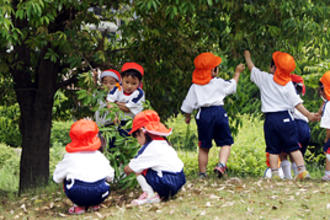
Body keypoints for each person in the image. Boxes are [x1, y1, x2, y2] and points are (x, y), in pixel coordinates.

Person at [243, 50, 319, 180]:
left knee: (273, 149)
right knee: (294, 147)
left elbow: (252, 68)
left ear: (272, 67)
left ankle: (275, 174)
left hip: (270, 119)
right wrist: (309, 115)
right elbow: (297, 104)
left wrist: (247, 56)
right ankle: (302, 171)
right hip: (286, 118)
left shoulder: (264, 79)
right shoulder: (288, 83)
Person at [180, 52, 245, 178]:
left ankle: (202, 173)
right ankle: (221, 165)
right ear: (213, 71)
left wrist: (187, 117)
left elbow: (188, 105)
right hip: (219, 113)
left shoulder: (195, 86)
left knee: (204, 147)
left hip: (204, 115)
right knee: (226, 143)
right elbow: (232, 86)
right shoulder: (219, 82)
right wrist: (237, 73)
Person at [124, 110, 186, 205]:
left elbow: (131, 168)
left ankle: (150, 195)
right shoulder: (164, 143)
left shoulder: (150, 148)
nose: (136, 139)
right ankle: (161, 194)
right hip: (180, 179)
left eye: (135, 135)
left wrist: (126, 169)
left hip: (167, 183)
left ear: (142, 132)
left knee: (139, 170)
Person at [53, 119, 114, 214]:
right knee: (102, 179)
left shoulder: (69, 156)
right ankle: (95, 204)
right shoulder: (99, 155)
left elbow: (57, 178)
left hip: (78, 193)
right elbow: (110, 176)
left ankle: (78, 206)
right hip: (100, 193)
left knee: (66, 178)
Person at [280, 74, 311, 179]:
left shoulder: (287, 96)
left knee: (284, 152)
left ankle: (288, 176)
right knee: (297, 153)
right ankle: (299, 174)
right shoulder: (298, 97)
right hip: (305, 127)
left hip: (294, 124)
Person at [318, 70, 330, 181]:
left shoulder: (328, 105)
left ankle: (328, 173)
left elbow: (329, 127)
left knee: (328, 151)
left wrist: (327, 139)